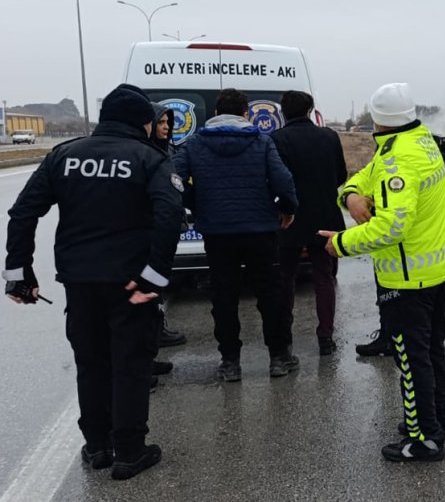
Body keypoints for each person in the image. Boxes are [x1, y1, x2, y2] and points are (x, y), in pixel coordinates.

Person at [3, 84, 184, 480]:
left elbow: (22, 213)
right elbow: (171, 214)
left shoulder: (64, 155)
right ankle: (130, 452)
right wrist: (154, 275)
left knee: (92, 363)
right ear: (144, 122)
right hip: (130, 284)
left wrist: (19, 274)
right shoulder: (149, 158)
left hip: (80, 281)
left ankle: (98, 447)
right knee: (131, 365)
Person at [319, 83, 445, 462]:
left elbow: (392, 226)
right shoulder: (418, 141)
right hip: (436, 269)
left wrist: (343, 243)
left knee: (411, 361)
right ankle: (437, 418)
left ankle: (423, 438)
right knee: (431, 351)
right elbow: (365, 177)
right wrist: (349, 194)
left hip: (408, 278)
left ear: (378, 121)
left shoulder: (399, 162)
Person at [172, 88, 298, 382]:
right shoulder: (261, 141)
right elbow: (283, 179)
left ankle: (230, 363)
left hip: (217, 232)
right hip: (260, 231)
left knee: (224, 297)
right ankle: (279, 358)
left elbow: (174, 180)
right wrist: (288, 207)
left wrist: (195, 201)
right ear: (245, 114)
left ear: (216, 113)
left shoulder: (194, 144)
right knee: (270, 294)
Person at [270, 91, 347, 356]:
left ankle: (285, 335)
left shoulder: (277, 139)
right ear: (309, 110)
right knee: (324, 278)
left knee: (285, 278)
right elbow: (341, 175)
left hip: (289, 218)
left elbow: (275, 180)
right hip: (325, 217)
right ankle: (325, 337)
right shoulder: (329, 136)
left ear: (283, 111)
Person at [149, 105, 186, 382]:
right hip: (147, 234)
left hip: (164, 232)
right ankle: (142, 362)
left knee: (156, 291)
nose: (165, 127)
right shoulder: (145, 154)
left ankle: (153, 343)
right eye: (160, 122)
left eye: (167, 122)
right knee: (146, 293)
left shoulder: (168, 150)